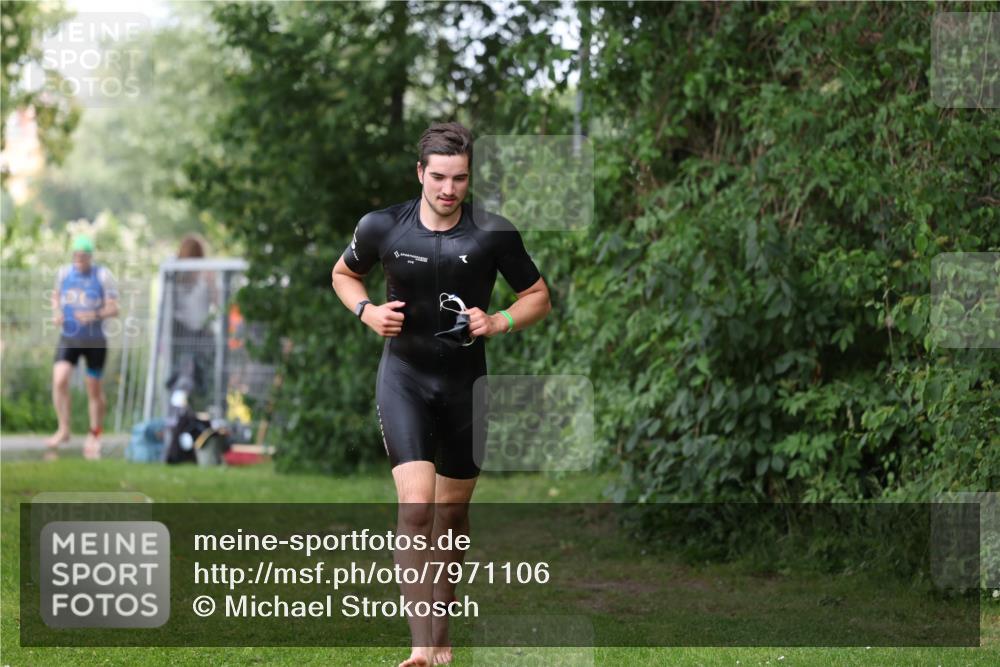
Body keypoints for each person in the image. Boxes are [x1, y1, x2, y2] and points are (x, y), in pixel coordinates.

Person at [331, 122, 551, 667]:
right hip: (403, 377)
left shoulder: (493, 234)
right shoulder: (382, 226)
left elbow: (538, 296)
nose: (449, 189)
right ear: (420, 174)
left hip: (465, 386)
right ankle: (421, 646)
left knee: (451, 517)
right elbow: (342, 273)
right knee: (415, 506)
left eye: (460, 178)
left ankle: (442, 634)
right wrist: (367, 311)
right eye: (438, 177)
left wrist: (498, 321)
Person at [47, 235, 120, 459]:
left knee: (93, 389)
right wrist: (57, 313)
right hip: (69, 337)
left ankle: (94, 433)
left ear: (90, 257)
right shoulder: (64, 274)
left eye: (83, 257)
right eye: (76, 256)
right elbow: (56, 297)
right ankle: (64, 429)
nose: (79, 260)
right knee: (60, 379)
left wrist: (94, 315)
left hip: (95, 341)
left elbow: (114, 308)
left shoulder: (102, 275)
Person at [170, 233, 218, 414]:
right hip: (189, 333)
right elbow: (218, 302)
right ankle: (190, 412)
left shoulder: (201, 273)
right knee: (194, 378)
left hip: (188, 334)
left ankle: (181, 412)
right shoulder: (177, 273)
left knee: (185, 377)